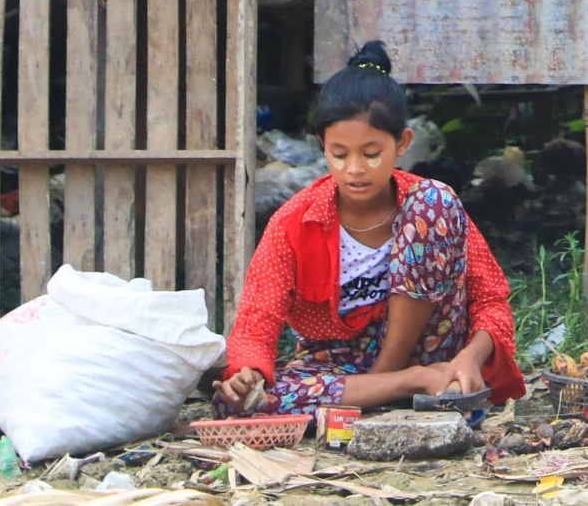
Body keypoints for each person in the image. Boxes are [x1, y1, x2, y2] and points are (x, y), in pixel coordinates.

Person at [217, 43, 527, 413]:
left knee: (435, 199)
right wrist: (248, 371)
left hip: (432, 350)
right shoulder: (295, 222)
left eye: (371, 153)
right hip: (342, 367)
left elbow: (490, 300)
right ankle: (407, 385)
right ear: (323, 146)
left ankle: (393, 382)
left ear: (402, 144)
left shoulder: (428, 206)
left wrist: (472, 358)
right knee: (241, 402)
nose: (355, 169)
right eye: (340, 154)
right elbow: (257, 319)